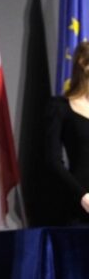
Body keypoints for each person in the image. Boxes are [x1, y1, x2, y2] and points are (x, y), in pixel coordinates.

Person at [46, 40, 89, 225]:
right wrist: (82, 195)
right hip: (79, 205)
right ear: (83, 64)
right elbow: (53, 161)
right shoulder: (60, 107)